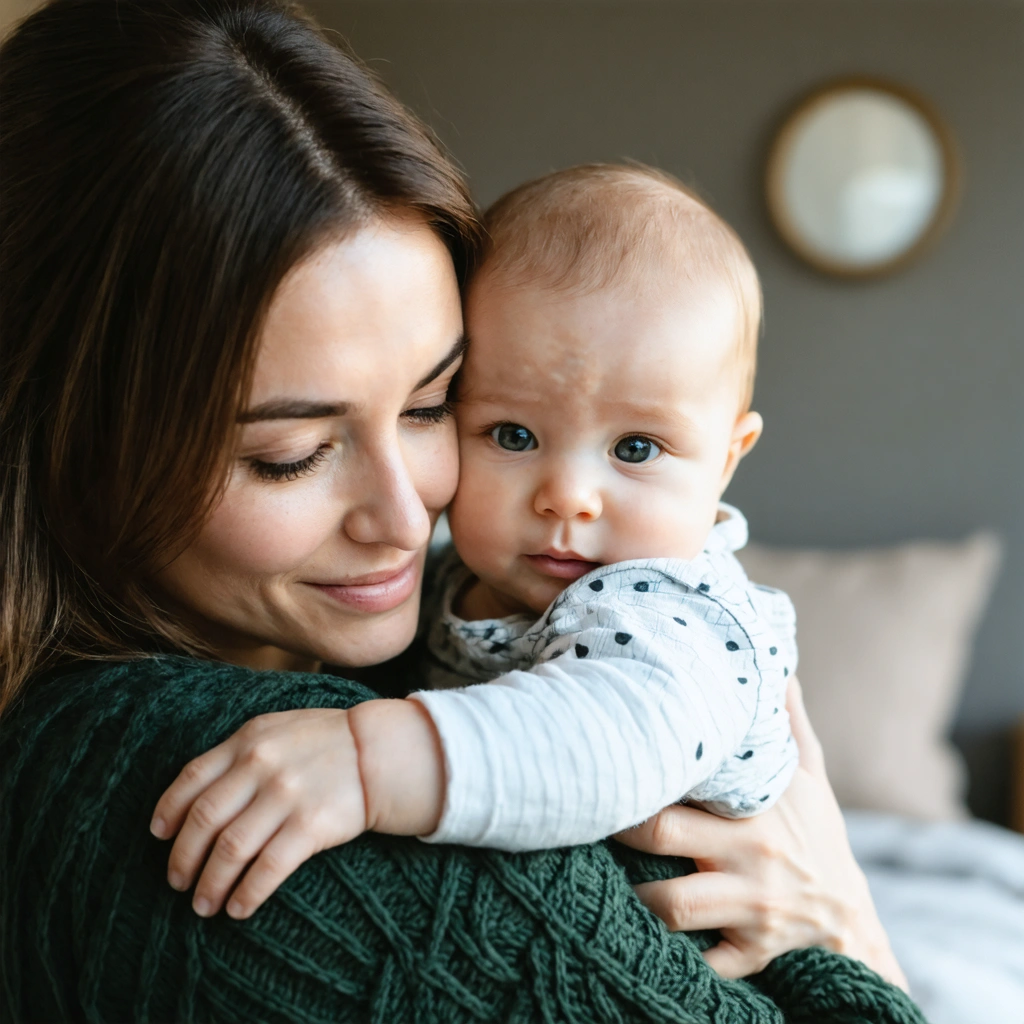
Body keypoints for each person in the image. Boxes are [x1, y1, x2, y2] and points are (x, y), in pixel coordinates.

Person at [0, 0, 916, 1020]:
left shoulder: (656, 616)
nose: (406, 514)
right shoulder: (259, 820)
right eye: (289, 455)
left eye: (434, 404)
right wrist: (857, 945)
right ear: (69, 442)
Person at [156, 164, 801, 884]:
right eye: (513, 436)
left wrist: (365, 761)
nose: (567, 498)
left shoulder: (674, 616)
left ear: (726, 460)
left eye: (636, 449)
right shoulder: (450, 579)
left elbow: (603, 747)